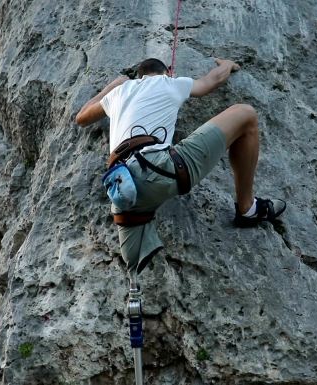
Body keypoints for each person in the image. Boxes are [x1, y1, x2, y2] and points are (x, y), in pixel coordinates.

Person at [76, 58, 286, 273]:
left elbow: (81, 117)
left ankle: (136, 278)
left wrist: (114, 84)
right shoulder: (169, 83)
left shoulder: (118, 93)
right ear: (167, 73)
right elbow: (212, 81)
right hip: (161, 170)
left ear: (139, 76)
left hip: (122, 186)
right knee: (246, 114)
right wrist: (227, 65)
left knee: (134, 265)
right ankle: (247, 208)